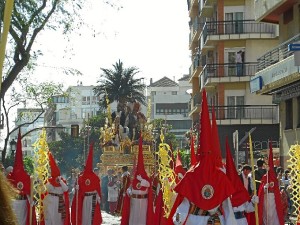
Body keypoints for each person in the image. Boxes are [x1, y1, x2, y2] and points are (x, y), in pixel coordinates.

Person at [169, 89, 236, 225]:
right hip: (204, 220)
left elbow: (226, 205)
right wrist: (179, 216)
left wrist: (179, 217)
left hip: (202, 220)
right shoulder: (218, 176)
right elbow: (227, 207)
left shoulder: (191, 175)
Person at [120, 134, 154, 225]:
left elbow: (148, 185)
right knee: (133, 218)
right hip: (134, 201)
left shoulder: (145, 177)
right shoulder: (134, 178)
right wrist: (129, 191)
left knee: (142, 218)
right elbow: (130, 187)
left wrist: (142, 180)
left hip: (143, 201)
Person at [225, 137, 259, 225]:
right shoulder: (225, 197)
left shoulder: (241, 193)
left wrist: (254, 201)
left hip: (241, 221)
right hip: (229, 221)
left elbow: (249, 209)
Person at [6, 130, 36, 225]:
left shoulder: (26, 177)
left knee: (23, 221)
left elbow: (29, 190)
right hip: (13, 202)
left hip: (23, 203)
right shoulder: (10, 176)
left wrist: (31, 198)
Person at [71, 143, 102, 225]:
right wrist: (76, 188)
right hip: (85, 198)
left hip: (93, 198)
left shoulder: (95, 177)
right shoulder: (80, 177)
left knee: (92, 216)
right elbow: (77, 189)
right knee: (85, 215)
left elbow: (98, 188)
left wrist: (98, 197)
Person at [258, 142, 284, 225]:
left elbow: (275, 186)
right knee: (266, 214)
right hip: (266, 196)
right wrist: (265, 186)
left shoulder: (273, 177)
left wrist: (272, 184)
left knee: (273, 214)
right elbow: (262, 187)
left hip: (272, 197)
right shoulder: (265, 176)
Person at [43, 151, 70, 225]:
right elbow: (45, 190)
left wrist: (60, 181)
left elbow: (66, 189)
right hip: (50, 200)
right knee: (49, 218)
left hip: (59, 202)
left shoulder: (62, 181)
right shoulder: (49, 181)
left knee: (58, 219)